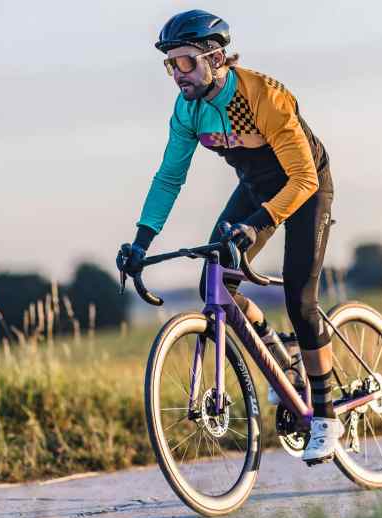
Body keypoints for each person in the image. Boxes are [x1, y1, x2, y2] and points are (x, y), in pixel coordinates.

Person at [117, 10, 341, 462]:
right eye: (170, 64)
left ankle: (326, 413)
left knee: (300, 299)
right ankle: (282, 359)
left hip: (305, 187)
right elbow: (169, 178)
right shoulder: (188, 110)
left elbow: (302, 179)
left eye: (185, 62)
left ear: (216, 58)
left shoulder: (263, 96)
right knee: (215, 284)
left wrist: (256, 224)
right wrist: (141, 242)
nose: (177, 74)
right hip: (256, 188)